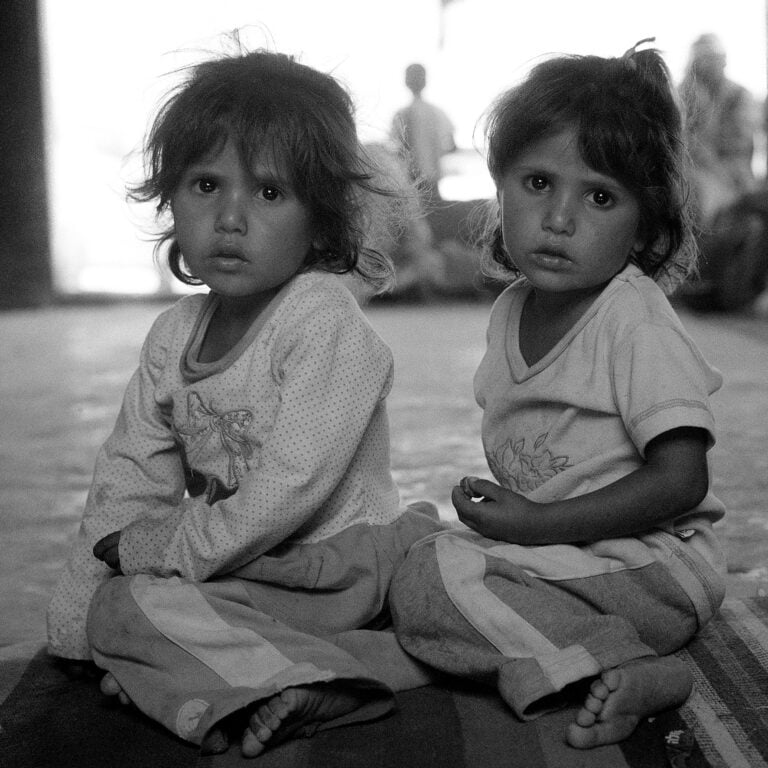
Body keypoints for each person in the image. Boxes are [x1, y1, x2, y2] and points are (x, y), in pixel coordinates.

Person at [46, 46, 443, 757]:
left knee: (145, 603)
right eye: (206, 185)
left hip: (337, 562)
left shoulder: (323, 319)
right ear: (172, 197)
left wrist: (167, 555)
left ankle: (313, 676)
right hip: (247, 568)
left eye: (268, 193)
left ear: (322, 221)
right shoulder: (173, 336)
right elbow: (129, 475)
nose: (230, 217)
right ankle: (235, 660)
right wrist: (80, 616)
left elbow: (290, 488)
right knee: (116, 610)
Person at [390, 41, 727, 750]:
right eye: (537, 182)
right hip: (576, 555)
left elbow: (682, 476)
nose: (560, 217)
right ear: (499, 184)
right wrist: (524, 522)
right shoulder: (512, 309)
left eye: (600, 196)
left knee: (433, 577)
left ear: (645, 221)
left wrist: (536, 527)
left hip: (658, 563)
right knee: (402, 540)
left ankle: (630, 663)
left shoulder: (631, 319)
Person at [679, 33, 758, 223]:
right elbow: (678, 139)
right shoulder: (685, 93)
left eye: (710, 59)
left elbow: (738, 144)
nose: (706, 65)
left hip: (731, 175)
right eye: (701, 60)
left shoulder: (738, 96)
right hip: (694, 172)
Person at [390, 63, 456, 205]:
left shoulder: (401, 115)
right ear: (425, 81)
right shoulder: (436, 112)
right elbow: (451, 144)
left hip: (412, 180)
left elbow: (396, 149)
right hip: (432, 179)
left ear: (406, 82)